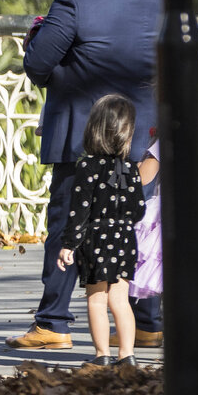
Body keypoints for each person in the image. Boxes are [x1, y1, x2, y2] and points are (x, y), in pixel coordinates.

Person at [11, 0, 163, 352]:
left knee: (68, 225)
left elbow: (38, 64)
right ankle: (148, 323)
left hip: (84, 135)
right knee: (140, 224)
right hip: (147, 135)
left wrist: (52, 62)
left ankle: (54, 322)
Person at [56, 94, 146, 366]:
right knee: (121, 300)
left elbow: (79, 210)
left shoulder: (87, 166)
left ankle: (102, 355)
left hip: (96, 239)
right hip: (125, 239)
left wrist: (69, 244)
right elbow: (139, 209)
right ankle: (127, 355)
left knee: (97, 300)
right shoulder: (131, 168)